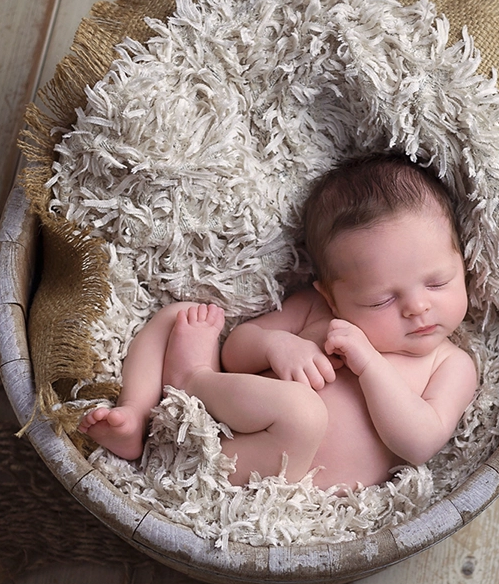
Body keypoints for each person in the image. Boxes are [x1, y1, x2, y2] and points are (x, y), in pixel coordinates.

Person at [78, 154, 478, 490]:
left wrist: (370, 364)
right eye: (382, 299)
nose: (417, 307)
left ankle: (191, 380)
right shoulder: (317, 312)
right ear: (332, 296)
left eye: (438, 282)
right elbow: (236, 354)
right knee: (181, 318)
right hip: (215, 417)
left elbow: (420, 442)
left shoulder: (450, 364)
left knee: (303, 414)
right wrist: (277, 346)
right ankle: (135, 415)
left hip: (256, 471)